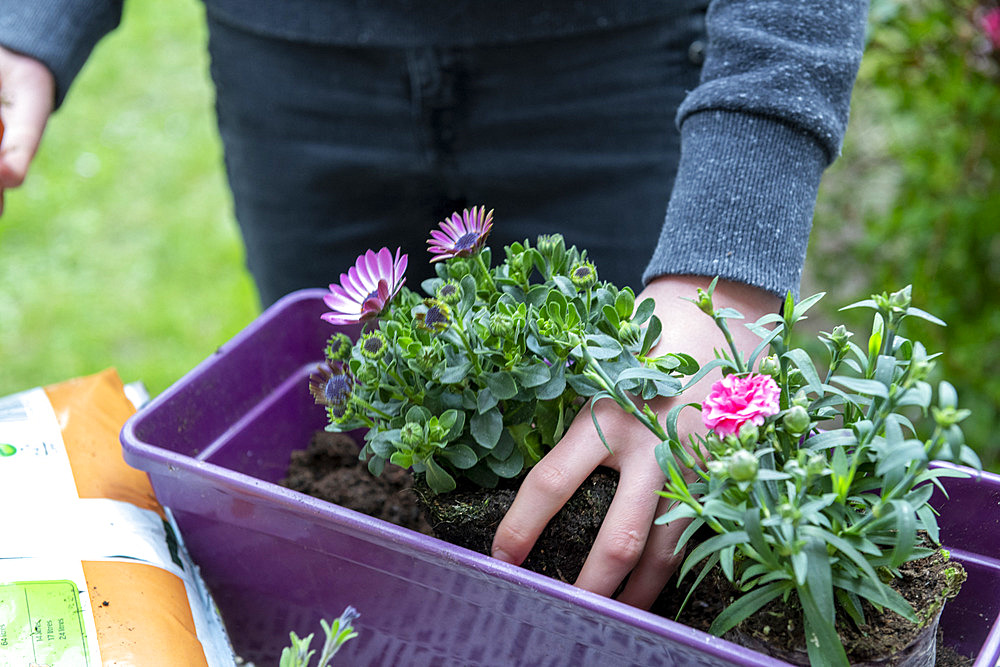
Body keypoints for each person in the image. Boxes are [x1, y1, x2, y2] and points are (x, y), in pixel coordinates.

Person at [0, 0, 868, 611]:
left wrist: (724, 263)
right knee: (345, 513)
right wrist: (27, 27)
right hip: (290, 62)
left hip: (618, 65)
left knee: (625, 528)